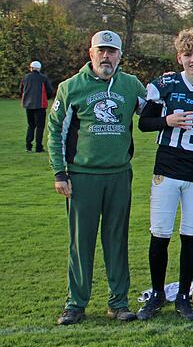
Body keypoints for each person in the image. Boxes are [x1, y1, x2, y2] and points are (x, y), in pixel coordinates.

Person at [49, 30, 146, 325]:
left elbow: (153, 112)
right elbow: (56, 132)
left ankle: (118, 302)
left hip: (118, 174)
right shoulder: (71, 87)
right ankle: (75, 303)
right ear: (90, 54)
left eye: (112, 52)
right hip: (82, 176)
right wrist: (59, 172)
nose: (106, 56)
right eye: (101, 51)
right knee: (82, 242)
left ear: (120, 56)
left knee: (117, 239)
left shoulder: (131, 85)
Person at [136, 28, 193, 321]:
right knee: (160, 233)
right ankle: (158, 293)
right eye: (188, 55)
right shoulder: (166, 83)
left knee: (190, 235)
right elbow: (144, 123)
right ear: (180, 57)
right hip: (167, 169)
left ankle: (184, 296)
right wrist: (167, 120)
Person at [21, 60, 54, 153]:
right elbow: (49, 91)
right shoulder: (43, 78)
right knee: (40, 127)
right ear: (39, 69)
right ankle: (38, 147)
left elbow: (22, 90)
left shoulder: (25, 77)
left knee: (30, 125)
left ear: (31, 68)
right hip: (40, 105)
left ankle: (28, 146)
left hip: (28, 105)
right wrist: (46, 98)